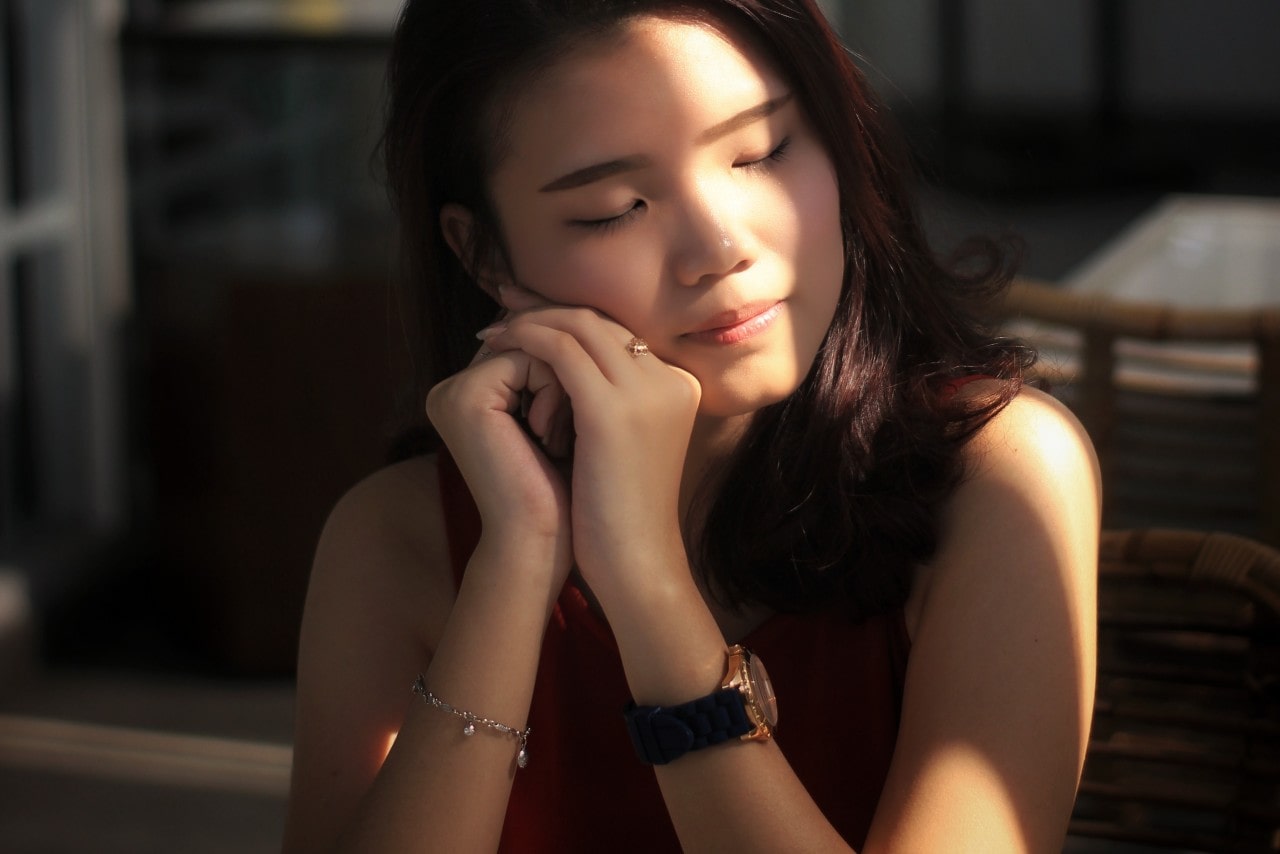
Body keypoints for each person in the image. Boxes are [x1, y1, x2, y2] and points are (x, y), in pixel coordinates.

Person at [282, 0, 1100, 850]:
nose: (720, 246)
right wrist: (518, 556)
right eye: (615, 206)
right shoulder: (399, 538)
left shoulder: (995, 475)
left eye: (763, 151)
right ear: (485, 255)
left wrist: (642, 580)